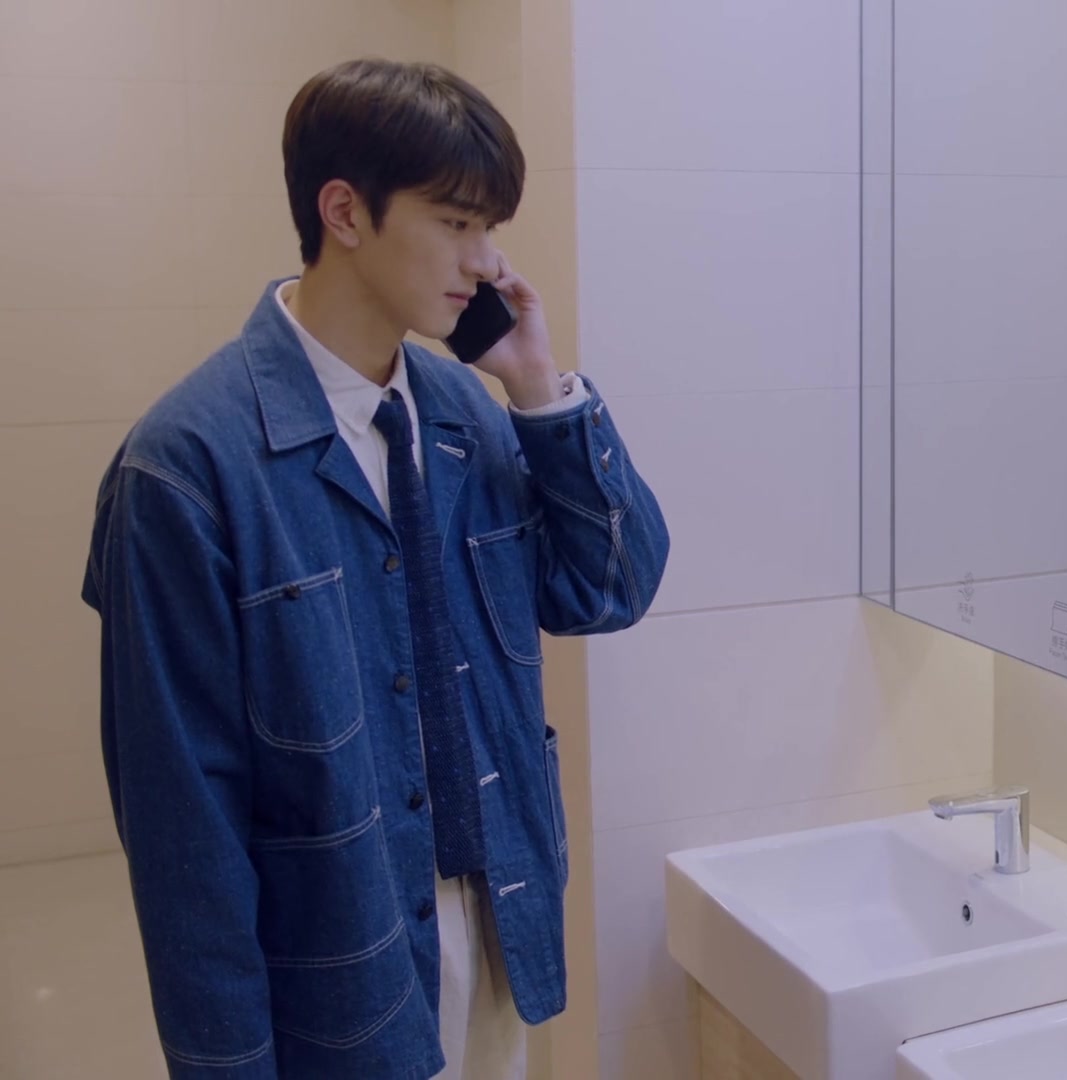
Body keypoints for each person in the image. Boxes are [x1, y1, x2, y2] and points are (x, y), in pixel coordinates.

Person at [82, 59, 669, 1079]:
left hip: (499, 931)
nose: (487, 262)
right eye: (455, 222)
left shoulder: (465, 412)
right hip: (335, 971)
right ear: (345, 212)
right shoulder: (185, 470)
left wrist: (538, 387)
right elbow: (187, 842)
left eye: (490, 226)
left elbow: (608, 587)